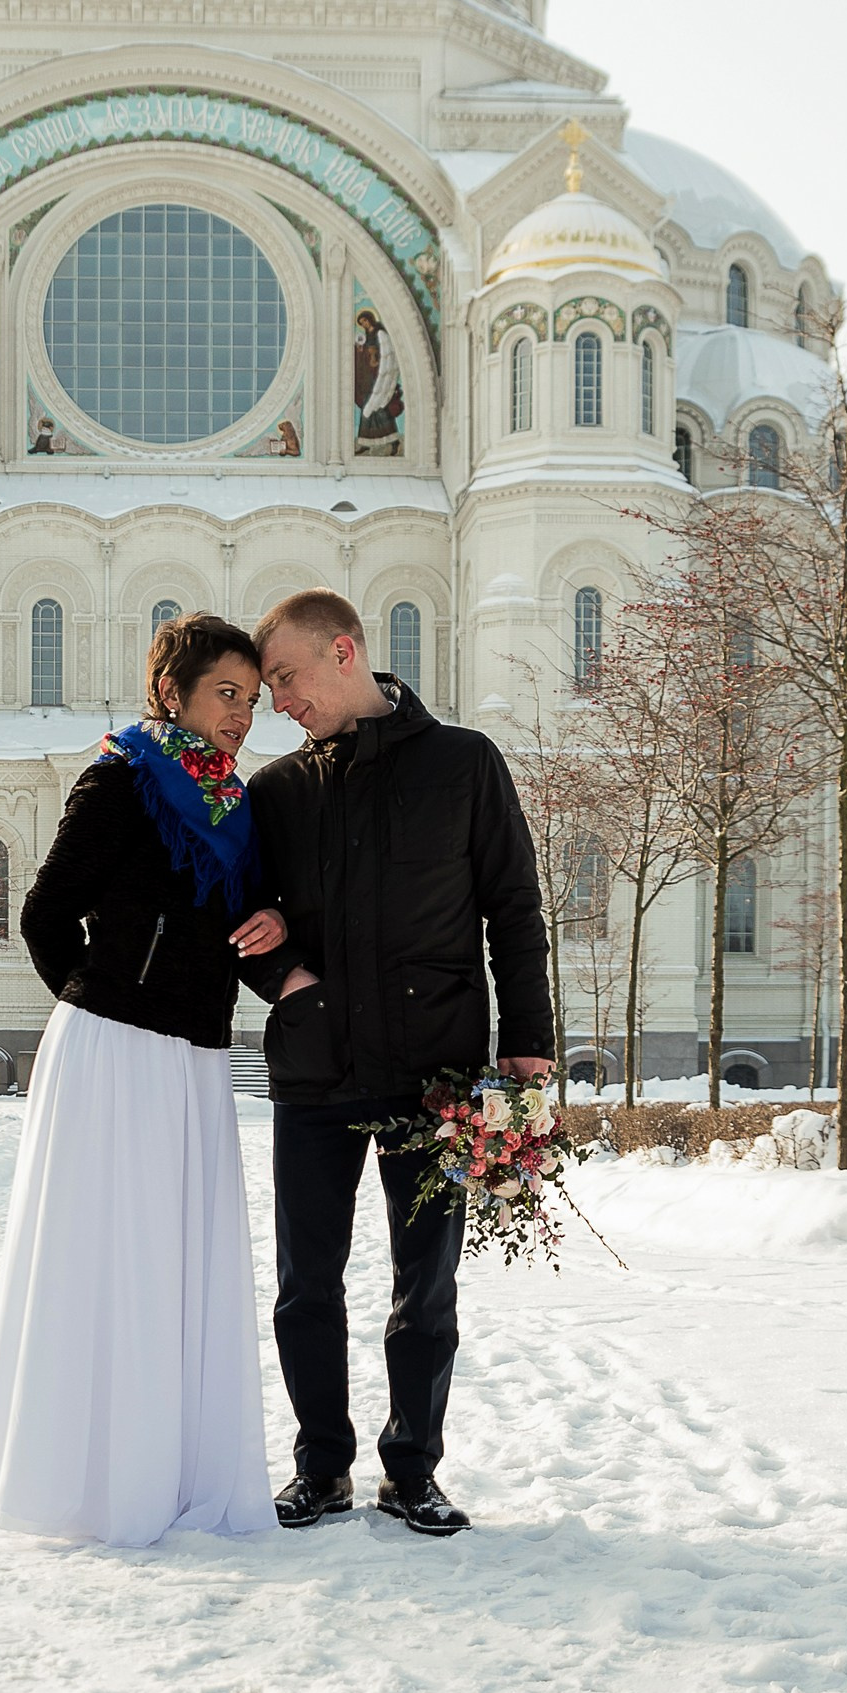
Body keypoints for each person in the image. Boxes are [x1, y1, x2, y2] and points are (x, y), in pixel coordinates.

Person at [0, 615, 291, 1549]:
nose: (241, 715)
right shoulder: (122, 777)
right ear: (173, 694)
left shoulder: (232, 808)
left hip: (190, 1059)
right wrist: (99, 1005)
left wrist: (274, 931)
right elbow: (43, 915)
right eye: (224, 695)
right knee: (109, 1256)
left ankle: (171, 1470)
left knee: (175, 1260)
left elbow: (234, 928)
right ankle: (93, 1484)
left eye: (251, 699)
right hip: (115, 1052)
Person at [249, 589, 552, 1539]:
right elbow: (244, 920)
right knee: (307, 1286)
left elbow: (515, 909)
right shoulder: (274, 793)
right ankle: (321, 1469)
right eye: (267, 690)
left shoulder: (465, 765)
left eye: (288, 679)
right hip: (315, 1074)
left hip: (437, 1072)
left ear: (344, 652)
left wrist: (529, 1050)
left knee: (425, 1289)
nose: (277, 703)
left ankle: (411, 1471)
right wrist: (285, 975)